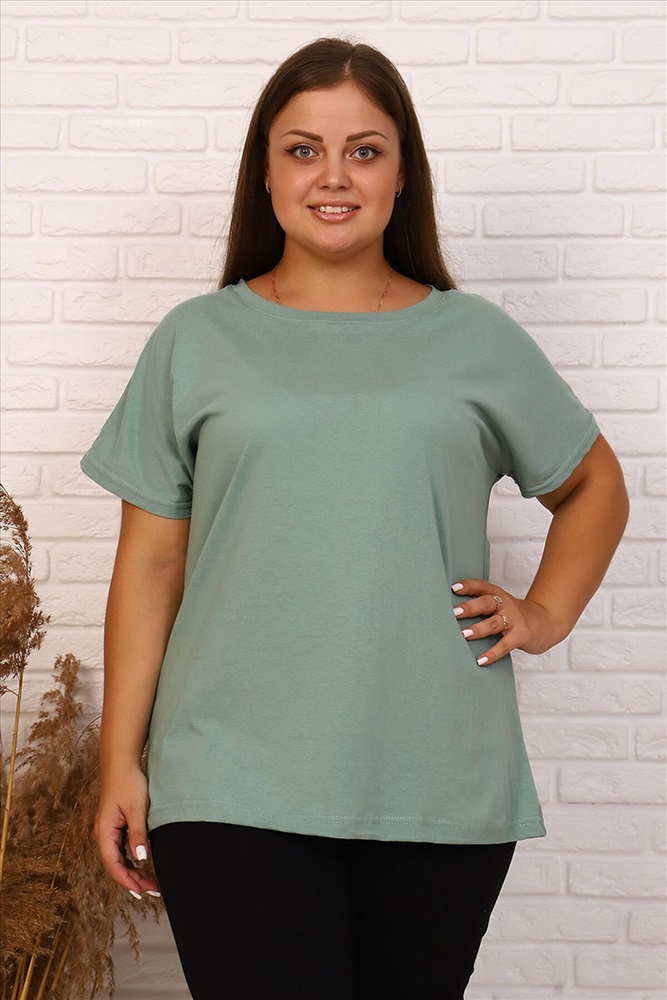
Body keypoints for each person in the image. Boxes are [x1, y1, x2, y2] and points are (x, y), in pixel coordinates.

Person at [80, 37, 629, 1000]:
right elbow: (151, 568)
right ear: (264, 172)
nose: (332, 176)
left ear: (401, 174)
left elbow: (592, 483)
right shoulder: (195, 341)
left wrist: (544, 613)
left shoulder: (474, 338)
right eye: (302, 150)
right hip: (228, 778)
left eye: (363, 151)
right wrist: (119, 760)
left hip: (437, 777)